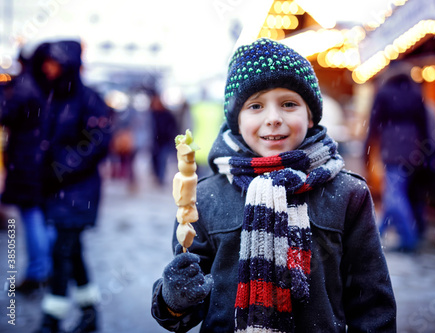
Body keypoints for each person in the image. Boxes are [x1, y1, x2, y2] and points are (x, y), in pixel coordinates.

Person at [151, 38, 396, 332]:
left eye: (289, 104)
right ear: (236, 120)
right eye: (255, 106)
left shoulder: (347, 194)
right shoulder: (206, 196)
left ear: (310, 115)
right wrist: (172, 300)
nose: (273, 119)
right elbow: (184, 313)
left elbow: (371, 303)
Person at [30, 39, 112, 333]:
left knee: (62, 250)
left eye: (54, 62)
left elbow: (97, 142)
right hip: (58, 189)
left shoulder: (88, 99)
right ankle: (90, 313)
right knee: (72, 250)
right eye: (45, 63)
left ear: (67, 65)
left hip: (79, 192)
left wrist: (60, 167)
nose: (47, 68)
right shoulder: (54, 96)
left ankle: (52, 317)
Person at [0, 42, 55, 294]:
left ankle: (37, 271)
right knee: (42, 216)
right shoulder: (48, 85)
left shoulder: (25, 85)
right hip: (42, 160)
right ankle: (48, 267)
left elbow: (6, 114)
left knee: (32, 216)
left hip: (26, 161)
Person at [365, 62, 434, 252]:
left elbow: (373, 125)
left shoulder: (384, 92)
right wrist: (426, 151)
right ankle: (376, 234)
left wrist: (367, 151)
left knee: (394, 194)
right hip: (412, 149)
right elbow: (425, 126)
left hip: (392, 148)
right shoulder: (415, 92)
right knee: (395, 192)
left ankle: (408, 238)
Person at [149, 90, 178, 186]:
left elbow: (173, 126)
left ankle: (160, 178)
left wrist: (169, 135)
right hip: (154, 142)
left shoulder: (166, 114)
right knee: (155, 160)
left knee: (162, 160)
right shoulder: (152, 114)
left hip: (164, 141)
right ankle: (156, 175)